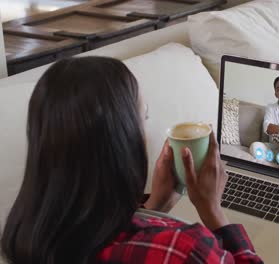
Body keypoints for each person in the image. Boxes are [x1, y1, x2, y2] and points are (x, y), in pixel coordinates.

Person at [0, 57, 263, 264]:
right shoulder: (184, 250)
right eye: (143, 118)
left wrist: (154, 206)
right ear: (121, 141)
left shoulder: (24, 237)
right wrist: (212, 210)